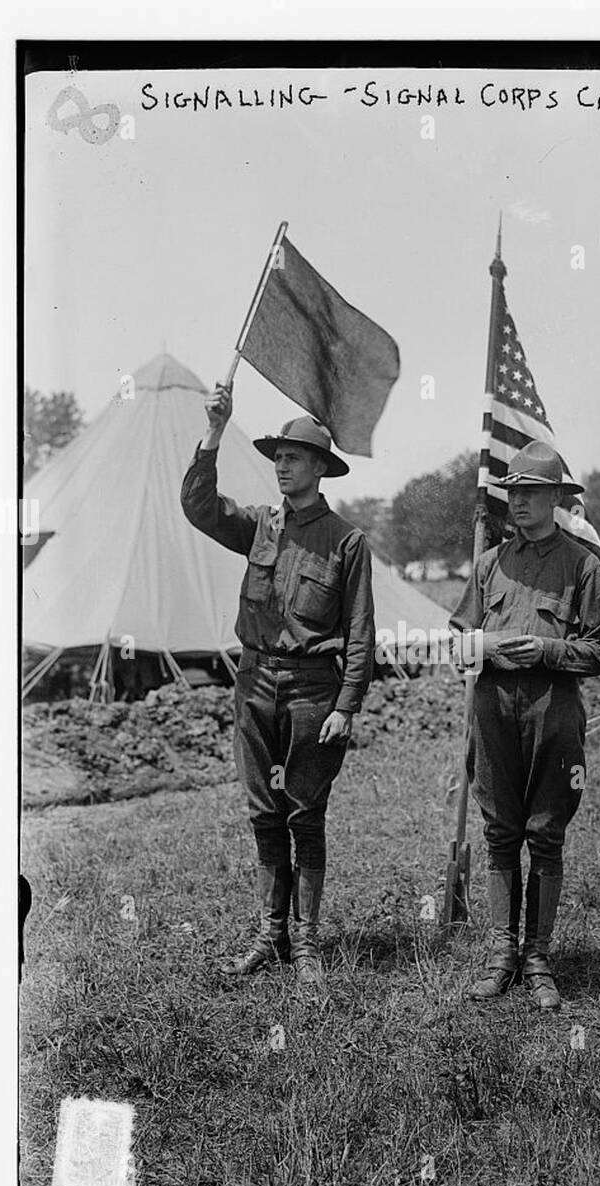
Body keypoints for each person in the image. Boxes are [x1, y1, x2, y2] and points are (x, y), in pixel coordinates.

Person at [181, 385, 374, 989]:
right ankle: (271, 936)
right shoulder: (260, 525)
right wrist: (214, 431)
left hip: (314, 691)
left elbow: (362, 632)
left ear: (319, 467)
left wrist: (346, 706)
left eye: (292, 457)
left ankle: (307, 941)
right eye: (278, 457)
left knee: (304, 815)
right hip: (254, 683)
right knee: (264, 812)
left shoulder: (346, 541)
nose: (281, 466)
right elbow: (199, 506)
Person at [448, 441, 600, 1011]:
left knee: (545, 834)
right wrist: (477, 645)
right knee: (500, 831)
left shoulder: (582, 565)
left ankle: (538, 958)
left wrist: (547, 650)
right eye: (513, 492)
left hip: (553, 711)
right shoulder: (490, 563)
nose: (519, 502)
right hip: (492, 709)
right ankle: (502, 956)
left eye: (532, 492)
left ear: (556, 498)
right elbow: (458, 637)